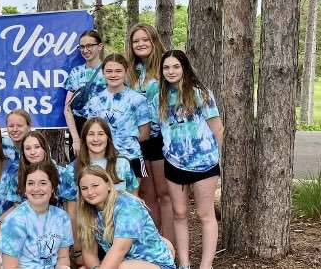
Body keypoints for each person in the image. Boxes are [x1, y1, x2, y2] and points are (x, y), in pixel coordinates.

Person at [154, 50, 223, 269]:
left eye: (176, 66)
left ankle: (205, 265)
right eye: (166, 67)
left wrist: (219, 161)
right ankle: (183, 263)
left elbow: (218, 129)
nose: (171, 71)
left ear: (184, 68)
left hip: (204, 162)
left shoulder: (200, 93)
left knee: (205, 214)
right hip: (174, 163)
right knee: (180, 213)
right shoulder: (159, 97)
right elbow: (156, 130)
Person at [126, 23, 174, 239]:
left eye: (145, 39)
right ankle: (154, 244)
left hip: (162, 139)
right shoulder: (130, 73)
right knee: (147, 194)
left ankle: (169, 246)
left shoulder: (166, 68)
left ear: (154, 41)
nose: (141, 44)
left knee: (166, 194)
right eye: (136, 41)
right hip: (139, 140)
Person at [77, 166, 175, 269]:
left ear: (109, 185)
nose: (90, 192)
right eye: (84, 188)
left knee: (124, 267)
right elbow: (89, 253)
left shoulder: (127, 206)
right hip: (127, 262)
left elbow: (120, 249)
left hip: (155, 264)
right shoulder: (87, 213)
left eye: (95, 185)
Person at [76, 54, 151, 186]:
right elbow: (91, 131)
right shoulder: (94, 101)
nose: (113, 75)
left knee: (128, 201)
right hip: (101, 159)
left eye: (118, 71)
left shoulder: (137, 100)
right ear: (103, 73)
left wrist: (120, 145)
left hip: (130, 157)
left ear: (126, 72)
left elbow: (144, 134)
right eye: (109, 71)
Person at [0, 162, 72, 269]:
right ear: (25, 190)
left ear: (52, 188)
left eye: (43, 183)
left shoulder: (63, 218)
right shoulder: (14, 221)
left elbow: (63, 258)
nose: (36, 189)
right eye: (31, 183)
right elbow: (10, 267)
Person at [64, 30, 106, 156]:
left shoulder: (109, 71)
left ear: (100, 46)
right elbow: (67, 108)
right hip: (80, 127)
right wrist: (76, 138)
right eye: (82, 47)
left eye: (89, 46)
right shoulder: (76, 72)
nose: (85, 50)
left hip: (103, 128)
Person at [73, 117, 140, 195]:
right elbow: (71, 206)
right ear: (85, 138)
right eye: (91, 134)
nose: (96, 139)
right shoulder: (73, 168)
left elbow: (133, 198)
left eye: (101, 134)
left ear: (108, 137)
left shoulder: (123, 164)